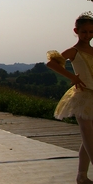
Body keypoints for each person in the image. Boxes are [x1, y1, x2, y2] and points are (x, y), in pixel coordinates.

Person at [46, 12, 93, 184]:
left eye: (90, 31)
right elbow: (51, 63)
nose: (87, 35)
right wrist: (72, 77)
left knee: (88, 139)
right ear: (76, 31)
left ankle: (81, 175)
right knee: (88, 136)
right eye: (84, 32)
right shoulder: (74, 51)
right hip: (83, 97)